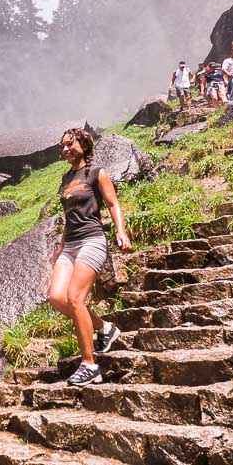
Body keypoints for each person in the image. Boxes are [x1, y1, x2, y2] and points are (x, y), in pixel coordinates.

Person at [49, 128, 132, 387]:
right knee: (57, 298)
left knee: (75, 298)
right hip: (71, 243)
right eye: (62, 146)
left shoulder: (97, 173)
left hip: (92, 240)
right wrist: (61, 246)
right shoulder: (65, 180)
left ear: (84, 145)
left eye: (69, 144)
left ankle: (89, 365)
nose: (65, 150)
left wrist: (121, 231)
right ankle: (104, 328)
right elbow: (69, 218)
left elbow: (112, 203)